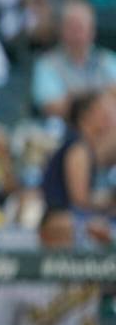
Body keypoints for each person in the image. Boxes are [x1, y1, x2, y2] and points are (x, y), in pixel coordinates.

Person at [40, 91, 116, 242]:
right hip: (61, 223)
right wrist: (108, 202)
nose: (108, 117)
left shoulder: (85, 145)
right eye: (102, 111)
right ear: (86, 115)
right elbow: (80, 200)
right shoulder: (78, 148)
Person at [32, 0, 116, 119]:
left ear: (92, 30)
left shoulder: (107, 59)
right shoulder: (46, 64)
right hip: (67, 127)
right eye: (71, 27)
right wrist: (103, 96)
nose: (76, 33)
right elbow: (52, 106)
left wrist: (76, 99)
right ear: (61, 30)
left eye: (80, 27)